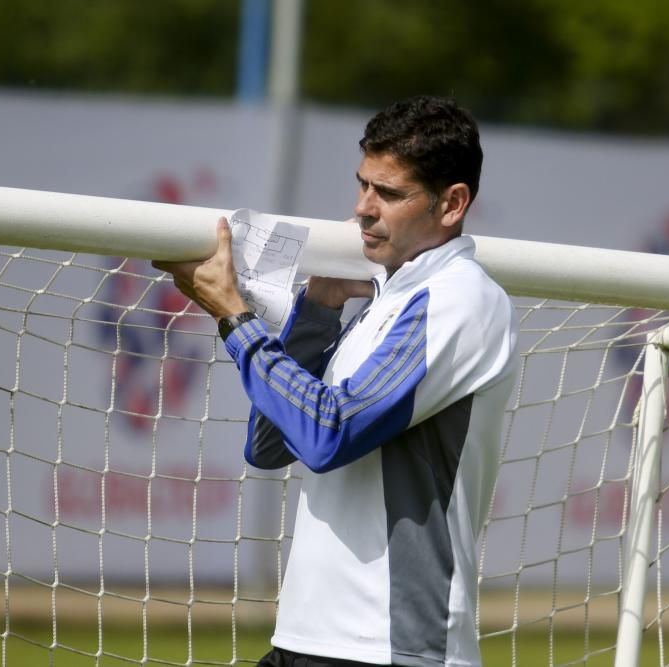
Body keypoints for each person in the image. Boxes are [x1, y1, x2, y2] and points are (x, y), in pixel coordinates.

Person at [154, 96, 518, 667]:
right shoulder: (385, 300)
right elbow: (270, 445)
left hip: (389, 648)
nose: (362, 209)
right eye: (362, 185)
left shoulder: (460, 299)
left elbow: (328, 433)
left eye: (389, 194)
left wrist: (233, 315)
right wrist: (318, 310)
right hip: (307, 637)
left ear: (452, 203)